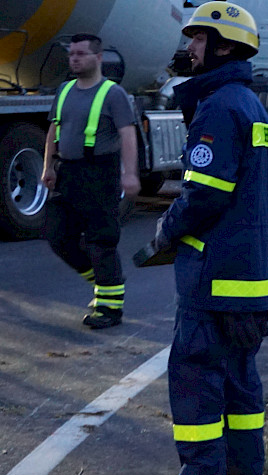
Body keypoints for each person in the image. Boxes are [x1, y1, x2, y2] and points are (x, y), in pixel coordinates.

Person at [149, 2, 268, 475]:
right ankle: (247, 469)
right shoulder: (250, 105)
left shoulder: (220, 106)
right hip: (254, 276)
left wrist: (166, 228)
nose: (189, 48)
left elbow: (205, 194)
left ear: (224, 45)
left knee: (195, 371)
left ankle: (204, 474)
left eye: (198, 39)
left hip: (217, 275)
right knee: (239, 373)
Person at [41, 33, 140, 330]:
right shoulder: (64, 90)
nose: (74, 59)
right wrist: (48, 166)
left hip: (100, 173)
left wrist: (131, 173)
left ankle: (110, 309)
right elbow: (53, 131)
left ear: (98, 58)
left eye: (81, 54)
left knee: (101, 241)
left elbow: (127, 134)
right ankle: (106, 281)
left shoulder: (113, 94)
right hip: (68, 172)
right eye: (71, 54)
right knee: (58, 236)